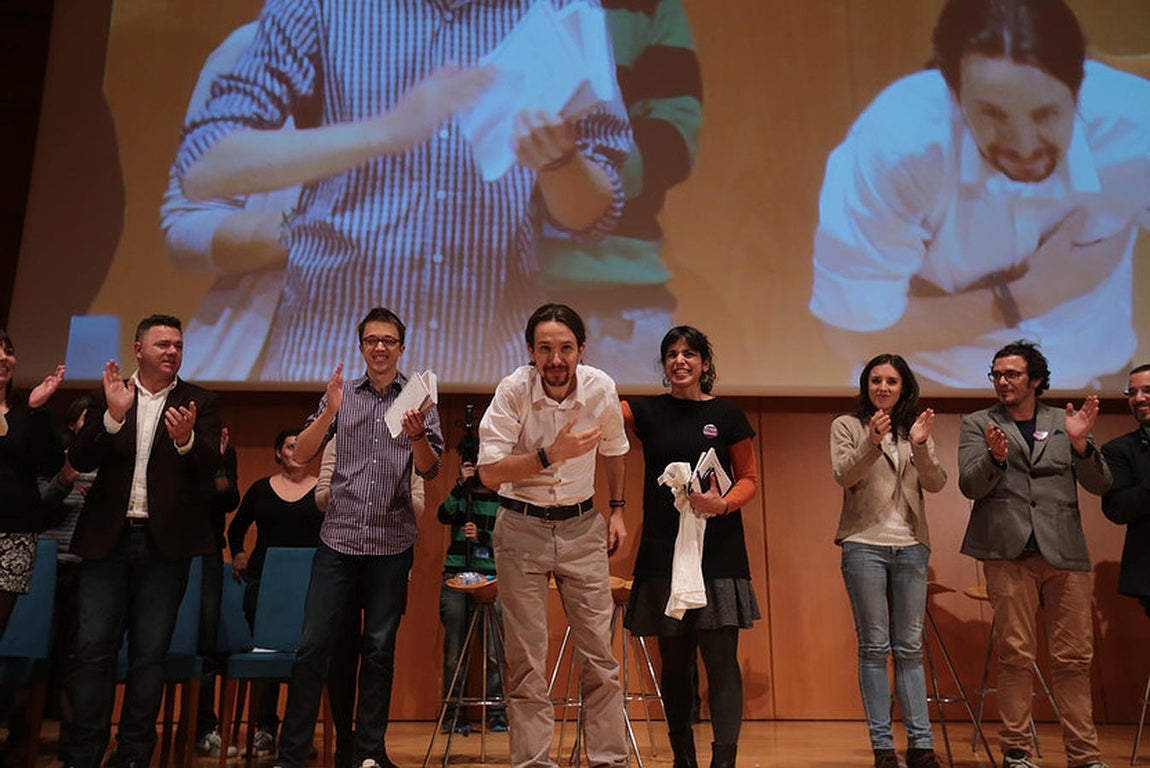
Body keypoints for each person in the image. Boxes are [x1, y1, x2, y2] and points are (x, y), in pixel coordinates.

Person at [171, 0, 631, 385]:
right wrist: (387, 131)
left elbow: (596, 214)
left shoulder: (560, 7)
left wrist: (558, 162)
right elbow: (205, 163)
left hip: (488, 367)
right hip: (332, 361)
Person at [809, 0, 1150, 390]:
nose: (1023, 146)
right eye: (992, 114)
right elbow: (849, 334)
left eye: (1046, 115)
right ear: (953, 93)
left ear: (1078, 88)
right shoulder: (895, 146)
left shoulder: (1137, 127)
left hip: (1098, 388)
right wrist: (1023, 297)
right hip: (933, 392)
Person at [273, 306, 443, 768]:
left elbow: (431, 467)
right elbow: (303, 457)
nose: (381, 348)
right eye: (372, 340)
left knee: (380, 650)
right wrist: (328, 412)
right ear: (361, 346)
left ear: (402, 348)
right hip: (339, 541)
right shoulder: (342, 395)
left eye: (389, 340)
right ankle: (292, 756)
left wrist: (416, 437)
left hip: (392, 543)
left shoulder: (419, 398)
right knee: (313, 648)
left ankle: (369, 752)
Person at [66, 314, 222, 768]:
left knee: (150, 655)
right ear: (139, 350)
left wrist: (187, 440)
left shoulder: (200, 401)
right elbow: (79, 457)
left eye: (177, 345)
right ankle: (83, 751)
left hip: (164, 546)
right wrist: (113, 419)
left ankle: (133, 754)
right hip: (107, 541)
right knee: (94, 650)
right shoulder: (107, 396)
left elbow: (211, 465)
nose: (172, 351)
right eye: (162, 345)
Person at [477, 302, 629, 768]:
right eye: (545, 349)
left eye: (565, 348)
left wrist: (618, 509)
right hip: (520, 527)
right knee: (526, 659)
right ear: (531, 352)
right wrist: (549, 454)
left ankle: (608, 760)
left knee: (600, 655)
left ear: (581, 350)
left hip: (583, 527)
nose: (556, 360)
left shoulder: (601, 388)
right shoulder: (512, 391)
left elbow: (615, 450)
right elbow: (488, 472)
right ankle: (533, 762)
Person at [958, 340, 1111, 768]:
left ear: (1036, 380)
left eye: (1012, 374)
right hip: (1007, 552)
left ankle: (1084, 756)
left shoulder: (1064, 422)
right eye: (997, 374)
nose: (1003, 382)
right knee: (1016, 654)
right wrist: (995, 459)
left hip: (1064, 552)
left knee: (1074, 658)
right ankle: (1018, 751)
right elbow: (970, 486)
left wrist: (1082, 447)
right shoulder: (978, 423)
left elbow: (1101, 485)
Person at [540, 0, 702, 383]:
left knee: (634, 440)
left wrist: (572, 168)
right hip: (476, 293)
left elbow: (672, 145)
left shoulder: (644, 7)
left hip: (613, 296)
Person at [621, 326, 759, 768]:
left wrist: (723, 504)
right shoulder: (644, 411)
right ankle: (684, 757)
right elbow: (597, 411)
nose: (680, 360)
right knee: (676, 667)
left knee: (721, 663)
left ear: (704, 363)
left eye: (689, 354)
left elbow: (750, 479)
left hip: (718, 555)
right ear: (664, 365)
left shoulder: (729, 414)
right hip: (664, 553)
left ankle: (724, 761)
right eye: (672, 354)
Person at [159, 20, 299, 381]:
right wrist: (303, 228)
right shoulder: (254, 49)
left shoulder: (457, 60)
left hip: (430, 349)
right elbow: (187, 221)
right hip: (263, 354)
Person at [830, 354, 947, 768]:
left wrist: (919, 445)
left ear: (903, 387)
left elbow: (935, 482)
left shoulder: (915, 429)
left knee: (910, 648)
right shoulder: (847, 426)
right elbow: (844, 474)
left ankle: (921, 746)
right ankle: (883, 747)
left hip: (912, 546)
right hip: (864, 544)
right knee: (874, 646)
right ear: (866, 386)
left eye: (891, 381)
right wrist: (872, 442)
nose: (882, 387)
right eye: (875, 380)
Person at [226, 427, 323, 757]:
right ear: (278, 452)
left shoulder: (323, 492)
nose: (296, 452)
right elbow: (236, 528)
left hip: (309, 587)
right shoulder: (260, 489)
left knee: (304, 661)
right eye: (290, 446)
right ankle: (265, 729)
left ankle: (298, 736)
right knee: (265, 657)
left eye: (302, 447)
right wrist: (238, 553)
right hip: (263, 586)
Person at [0, 331, 66, 635]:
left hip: (14, 535)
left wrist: (38, 409)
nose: (4, 358)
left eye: (8, 351)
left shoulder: (28, 414)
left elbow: (51, 465)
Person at [437, 457, 507, 736]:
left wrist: (482, 535)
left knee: (494, 650)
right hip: (457, 576)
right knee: (455, 650)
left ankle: (497, 714)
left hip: (491, 576)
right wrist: (460, 485)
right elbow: (443, 514)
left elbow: (508, 536)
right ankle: (452, 716)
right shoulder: (461, 496)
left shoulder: (503, 498)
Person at [195, 425, 241, 756]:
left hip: (208, 550)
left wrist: (219, 467)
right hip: (164, 550)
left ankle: (203, 727)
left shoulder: (222, 451)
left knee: (206, 642)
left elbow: (228, 499)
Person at [1101, 364, 1150, 617]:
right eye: (1132, 392)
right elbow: (1116, 509)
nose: (1139, 398)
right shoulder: (1119, 450)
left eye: (1147, 390)